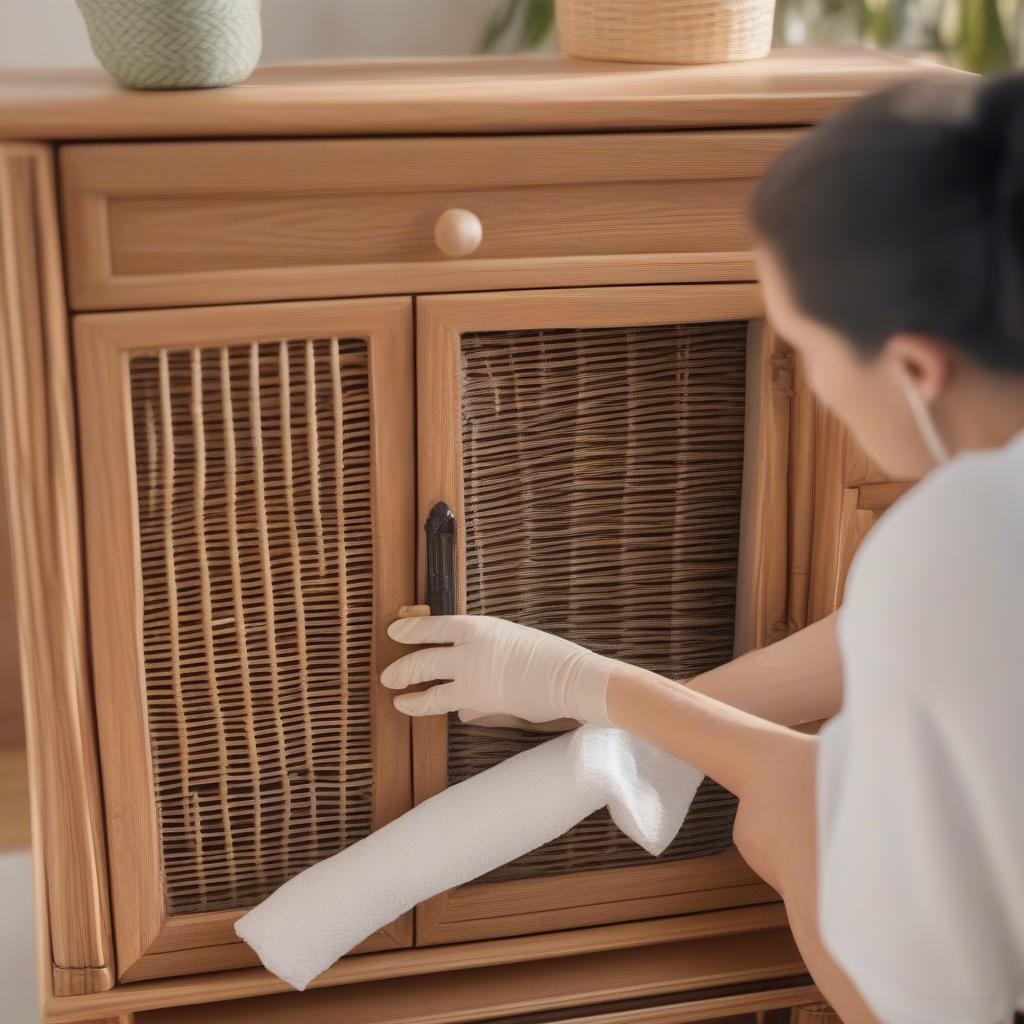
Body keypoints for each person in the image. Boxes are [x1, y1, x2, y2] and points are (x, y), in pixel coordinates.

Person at [381, 71, 1024, 1024]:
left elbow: (933, 984)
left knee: (786, 817)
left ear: (915, 368)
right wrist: (650, 712)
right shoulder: (978, 536)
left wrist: (588, 685)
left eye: (806, 348)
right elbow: (930, 635)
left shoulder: (954, 536)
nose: (809, 383)